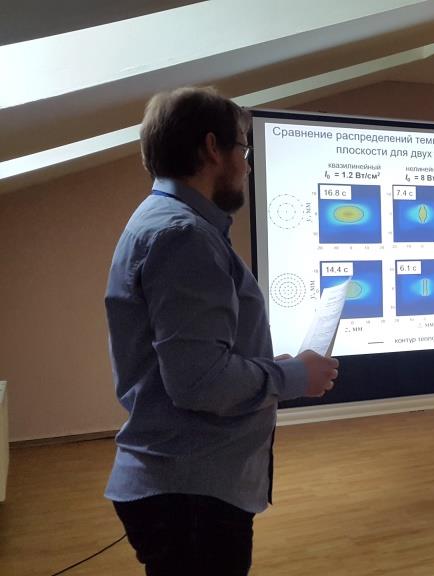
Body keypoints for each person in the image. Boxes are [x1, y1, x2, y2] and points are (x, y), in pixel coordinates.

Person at [104, 86, 339, 575]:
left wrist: (274, 368)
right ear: (213, 148)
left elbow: (195, 361)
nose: (247, 166)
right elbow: (200, 382)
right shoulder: (183, 235)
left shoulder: (166, 222)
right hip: (192, 496)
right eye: (244, 149)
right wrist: (295, 376)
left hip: (186, 488)